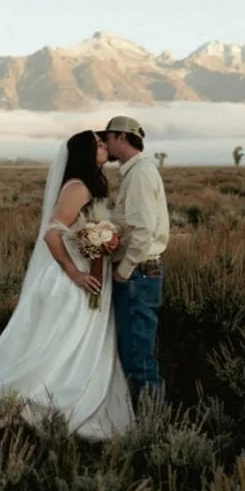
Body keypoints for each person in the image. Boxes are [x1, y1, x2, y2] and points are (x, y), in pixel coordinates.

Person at [0, 130, 134, 440]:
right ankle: (48, 400)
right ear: (84, 152)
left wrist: (105, 240)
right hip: (75, 279)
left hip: (92, 274)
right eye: (97, 144)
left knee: (82, 340)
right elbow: (52, 233)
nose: (103, 146)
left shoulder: (92, 184)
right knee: (62, 341)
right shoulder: (78, 188)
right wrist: (74, 272)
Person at [98, 115, 170, 407]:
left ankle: (153, 422)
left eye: (109, 138)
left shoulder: (139, 174)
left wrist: (123, 272)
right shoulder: (137, 171)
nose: (106, 143)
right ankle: (149, 418)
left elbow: (143, 232)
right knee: (136, 352)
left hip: (138, 276)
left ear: (122, 138)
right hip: (140, 274)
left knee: (138, 356)